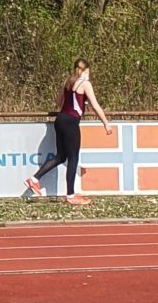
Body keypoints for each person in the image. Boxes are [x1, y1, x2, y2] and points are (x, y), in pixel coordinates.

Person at [25, 59, 110, 202]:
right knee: (73, 158)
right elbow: (95, 105)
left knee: (61, 157)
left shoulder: (68, 82)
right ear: (86, 70)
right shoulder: (85, 84)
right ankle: (71, 195)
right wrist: (106, 123)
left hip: (60, 119)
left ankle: (34, 179)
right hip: (71, 122)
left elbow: (59, 102)